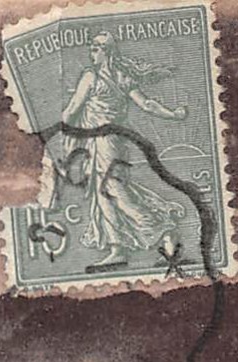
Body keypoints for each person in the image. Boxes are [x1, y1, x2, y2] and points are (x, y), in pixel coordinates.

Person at [51, 31, 191, 269]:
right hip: (113, 144)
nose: (91, 52)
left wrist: (51, 132)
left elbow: (73, 108)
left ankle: (164, 232)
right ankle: (118, 249)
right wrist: (174, 114)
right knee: (103, 193)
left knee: (113, 191)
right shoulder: (122, 77)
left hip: (104, 143)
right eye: (91, 47)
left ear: (107, 52)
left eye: (95, 48)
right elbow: (147, 104)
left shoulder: (90, 77)